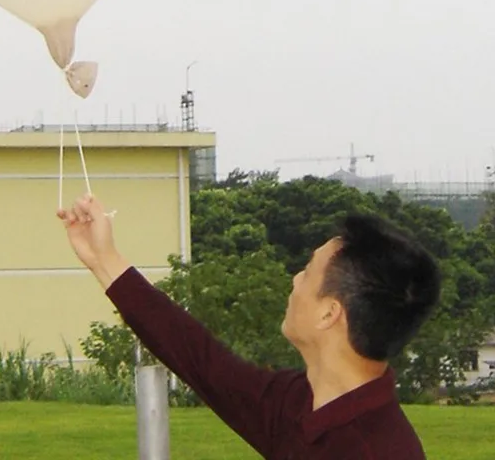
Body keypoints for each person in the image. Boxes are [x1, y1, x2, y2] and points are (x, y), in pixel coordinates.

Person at [59, 193, 441, 458]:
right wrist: (102, 258)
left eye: (307, 272)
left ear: (330, 313)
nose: (295, 281)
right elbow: (202, 360)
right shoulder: (300, 403)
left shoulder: (375, 450)